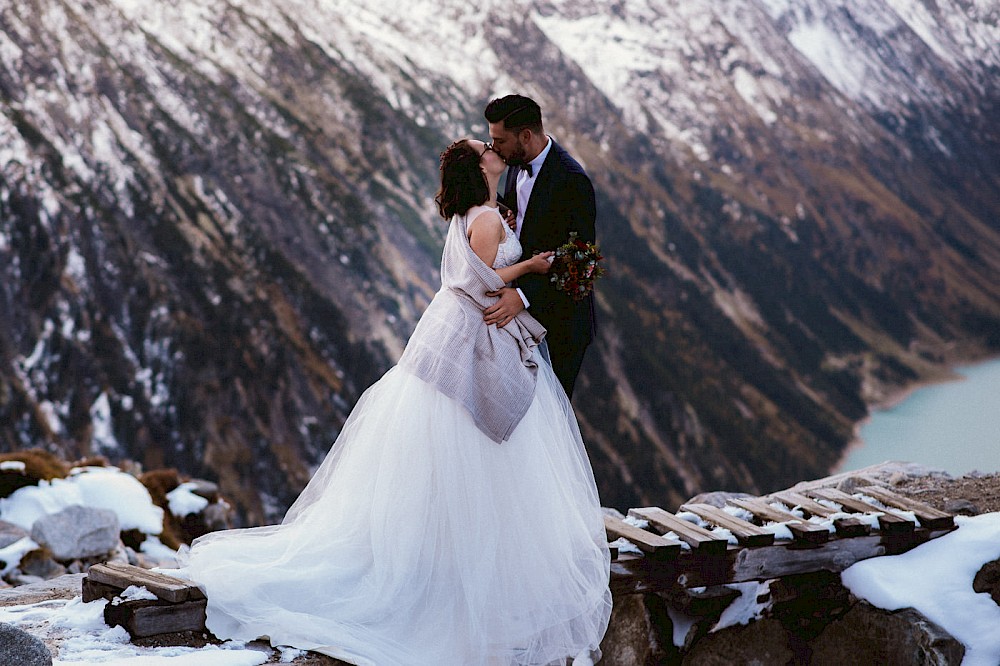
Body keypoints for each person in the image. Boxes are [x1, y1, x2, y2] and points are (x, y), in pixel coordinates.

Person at [180, 138, 612, 666]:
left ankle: (452, 556)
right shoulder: (487, 219)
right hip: (471, 329)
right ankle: (468, 567)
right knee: (479, 440)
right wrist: (527, 270)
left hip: (450, 325)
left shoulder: (480, 213)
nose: (493, 149)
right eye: (485, 149)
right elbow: (477, 282)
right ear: (481, 168)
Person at [483, 94, 597, 398]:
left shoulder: (572, 181)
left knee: (549, 423)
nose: (493, 148)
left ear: (525, 136)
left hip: (560, 325)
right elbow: (530, 219)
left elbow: (582, 264)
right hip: (520, 321)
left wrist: (523, 296)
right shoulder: (514, 164)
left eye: (499, 140)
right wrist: (510, 218)